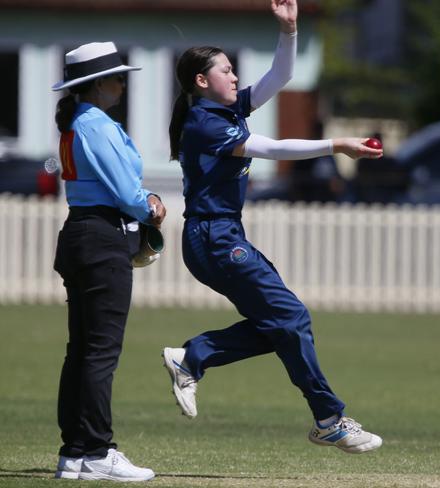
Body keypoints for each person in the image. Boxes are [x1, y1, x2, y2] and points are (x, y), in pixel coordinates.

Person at [162, 0, 383, 454]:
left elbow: (279, 78)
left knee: (283, 322)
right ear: (202, 81)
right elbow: (273, 148)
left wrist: (289, 31)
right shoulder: (205, 123)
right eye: (226, 70)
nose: (236, 76)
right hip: (213, 238)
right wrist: (336, 144)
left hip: (222, 237)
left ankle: (194, 356)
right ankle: (329, 418)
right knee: (292, 318)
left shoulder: (222, 112)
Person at [51, 41, 166, 482]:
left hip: (80, 233)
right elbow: (126, 191)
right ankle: (98, 450)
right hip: (102, 237)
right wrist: (151, 206)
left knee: (80, 351)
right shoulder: (95, 123)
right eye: (118, 77)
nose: (123, 84)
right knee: (100, 353)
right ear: (99, 84)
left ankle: (75, 452)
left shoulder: (79, 120)